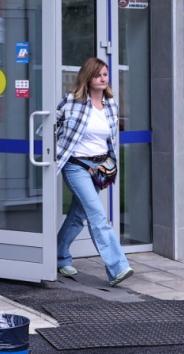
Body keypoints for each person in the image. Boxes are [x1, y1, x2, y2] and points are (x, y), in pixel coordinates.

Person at [54, 56, 133, 286]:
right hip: (76, 165)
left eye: (105, 74)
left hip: (98, 168)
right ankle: (118, 267)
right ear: (87, 78)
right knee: (97, 215)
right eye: (97, 75)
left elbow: (110, 139)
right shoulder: (72, 101)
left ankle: (58, 256)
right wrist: (55, 148)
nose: (102, 78)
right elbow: (52, 124)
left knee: (77, 216)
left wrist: (109, 163)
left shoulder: (111, 105)